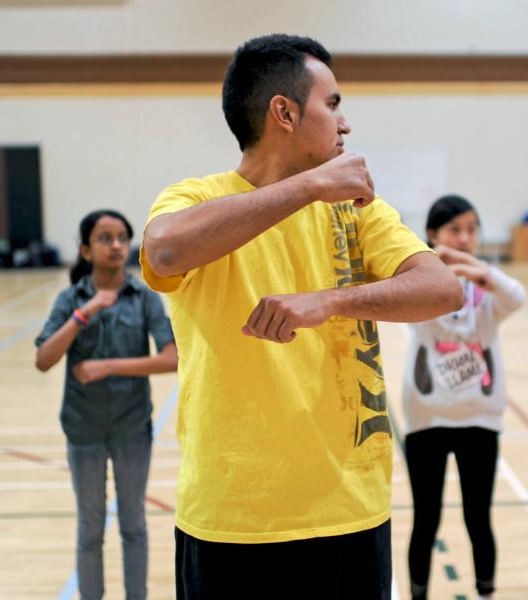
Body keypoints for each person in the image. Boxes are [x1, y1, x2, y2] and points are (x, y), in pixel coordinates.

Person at [139, 34, 463, 599]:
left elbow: (441, 289)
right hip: (235, 522)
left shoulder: (356, 211)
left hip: (351, 514)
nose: (345, 125)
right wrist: (309, 185)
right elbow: (164, 250)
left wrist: (331, 300)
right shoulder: (193, 199)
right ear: (284, 113)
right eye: (332, 105)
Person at [35, 209, 177, 600]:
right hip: (83, 430)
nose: (116, 245)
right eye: (105, 238)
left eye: (121, 237)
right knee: (90, 531)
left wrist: (109, 367)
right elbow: (44, 358)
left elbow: (172, 358)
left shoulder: (145, 298)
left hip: (133, 430)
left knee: (134, 527)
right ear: (85, 250)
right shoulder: (70, 300)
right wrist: (86, 312)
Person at [402, 195, 526, 600]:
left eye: (472, 229)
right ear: (433, 234)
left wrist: (476, 269)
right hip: (427, 419)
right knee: (426, 519)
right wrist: (431, 261)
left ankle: (486, 592)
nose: (465, 237)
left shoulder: (488, 292)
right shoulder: (417, 281)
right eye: (455, 229)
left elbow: (518, 296)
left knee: (478, 518)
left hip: (479, 419)